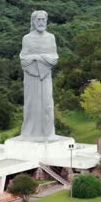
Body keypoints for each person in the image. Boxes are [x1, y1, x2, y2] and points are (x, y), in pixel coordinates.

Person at [19, 10, 59, 140]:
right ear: (33, 21)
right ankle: (30, 132)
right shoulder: (27, 38)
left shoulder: (51, 37)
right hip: (31, 78)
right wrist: (36, 58)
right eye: (38, 20)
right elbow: (24, 59)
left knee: (47, 103)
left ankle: (48, 132)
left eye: (43, 20)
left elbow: (54, 58)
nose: (41, 22)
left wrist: (39, 58)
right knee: (31, 103)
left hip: (46, 76)